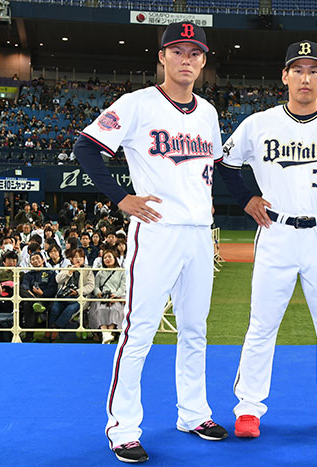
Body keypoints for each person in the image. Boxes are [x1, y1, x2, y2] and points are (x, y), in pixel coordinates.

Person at [73, 22, 227, 463]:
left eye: (194, 53)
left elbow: (209, 168)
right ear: (162, 57)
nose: (187, 59)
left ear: (203, 60)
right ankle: (123, 428)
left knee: (195, 330)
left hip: (198, 235)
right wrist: (122, 197)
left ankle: (194, 412)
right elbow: (87, 148)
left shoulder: (209, 113)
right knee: (138, 331)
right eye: (178, 51)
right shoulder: (138, 103)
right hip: (156, 231)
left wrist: (206, 207)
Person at [217, 40, 317, 440]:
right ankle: (249, 408)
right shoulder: (259, 123)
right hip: (276, 231)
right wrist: (246, 199)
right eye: (297, 70)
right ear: (285, 76)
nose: (305, 78)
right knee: (262, 324)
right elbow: (225, 163)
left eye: (313, 70)